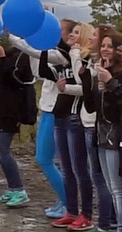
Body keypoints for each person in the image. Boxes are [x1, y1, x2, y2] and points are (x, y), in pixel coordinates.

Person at [10, 19, 74, 219]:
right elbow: (38, 68)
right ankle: (64, 200)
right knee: (50, 160)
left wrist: (16, 35)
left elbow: (36, 52)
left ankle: (69, 202)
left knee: (44, 159)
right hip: (47, 109)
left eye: (60, 30)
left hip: (56, 112)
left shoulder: (65, 55)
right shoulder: (52, 52)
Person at [80, 29, 122, 232]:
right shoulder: (101, 73)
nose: (104, 49)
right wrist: (87, 80)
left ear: (118, 50)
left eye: (110, 46)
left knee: (118, 187)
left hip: (116, 135)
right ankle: (119, 230)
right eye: (103, 45)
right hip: (101, 132)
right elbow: (92, 107)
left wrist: (109, 85)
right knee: (111, 185)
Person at [45, 23, 97, 231]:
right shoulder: (67, 56)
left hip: (76, 118)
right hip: (60, 115)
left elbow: (82, 84)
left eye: (76, 33)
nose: (72, 36)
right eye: (71, 32)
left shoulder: (83, 60)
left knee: (79, 169)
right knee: (66, 168)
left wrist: (66, 88)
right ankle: (71, 210)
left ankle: (86, 214)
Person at [0, 38, 36, 207]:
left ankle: (19, 189)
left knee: (2, 149)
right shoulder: (11, 53)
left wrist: (3, 58)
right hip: (0, 105)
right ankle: (13, 188)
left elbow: (15, 78)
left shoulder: (26, 56)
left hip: (13, 108)